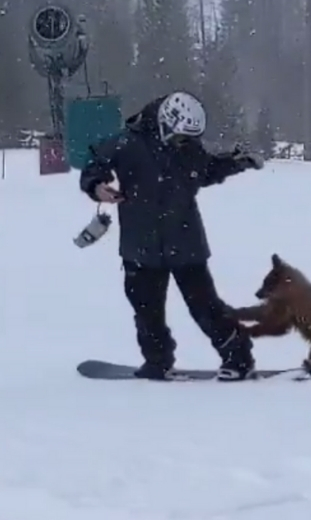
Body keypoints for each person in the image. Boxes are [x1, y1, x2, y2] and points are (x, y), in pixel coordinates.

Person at [79, 91, 265, 381]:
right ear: (166, 125)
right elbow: (95, 164)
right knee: (146, 312)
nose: (186, 143)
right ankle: (157, 362)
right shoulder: (127, 143)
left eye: (190, 138)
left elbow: (206, 172)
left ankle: (239, 359)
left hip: (185, 242)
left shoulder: (189, 150)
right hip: (139, 247)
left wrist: (237, 162)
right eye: (181, 137)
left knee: (206, 308)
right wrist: (96, 186)